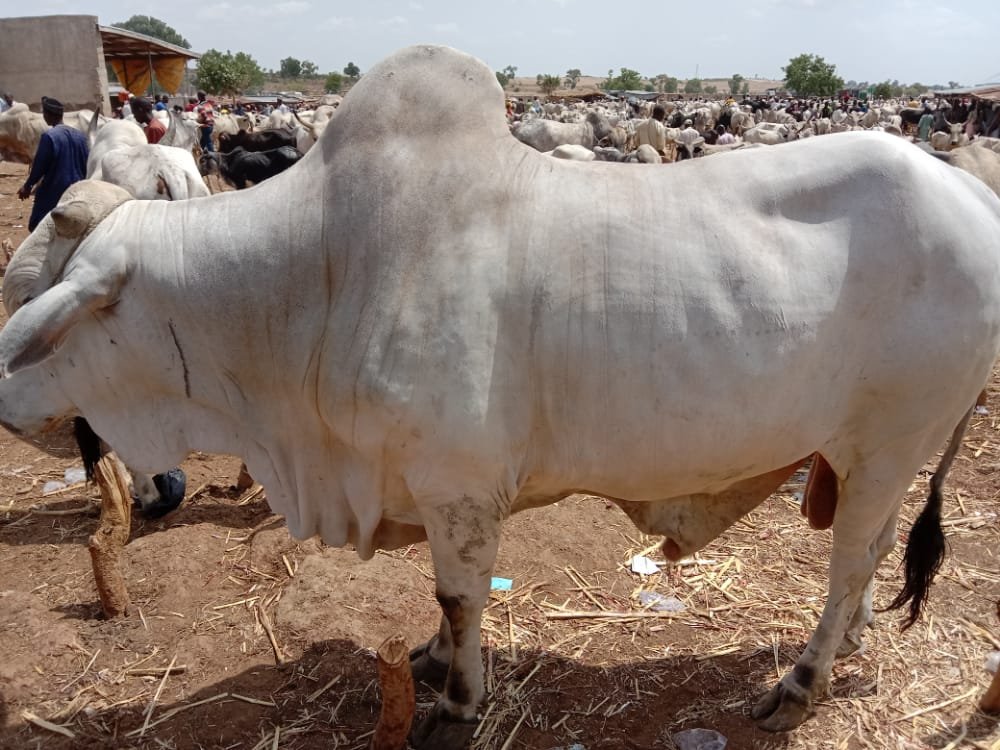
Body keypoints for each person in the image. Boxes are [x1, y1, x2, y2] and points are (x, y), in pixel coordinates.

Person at [16, 97, 89, 231]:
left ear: (48, 115)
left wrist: (27, 186)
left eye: (44, 113)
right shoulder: (80, 136)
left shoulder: (49, 137)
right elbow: (87, 163)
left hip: (54, 191)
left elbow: (39, 166)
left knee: (38, 226)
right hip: (77, 191)